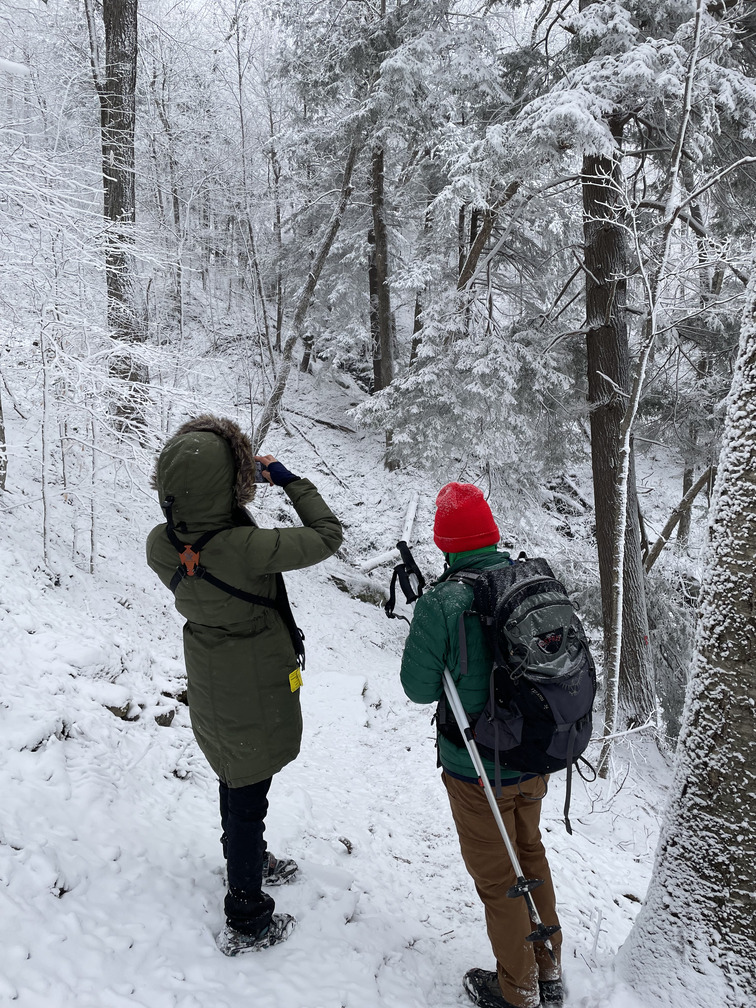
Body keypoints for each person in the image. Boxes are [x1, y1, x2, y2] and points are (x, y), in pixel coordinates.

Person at [146, 415, 342, 955]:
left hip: (210, 679)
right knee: (248, 788)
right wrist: (287, 478)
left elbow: (197, 552)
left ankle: (245, 855)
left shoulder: (161, 545)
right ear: (232, 481)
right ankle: (248, 913)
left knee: (234, 777)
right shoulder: (249, 547)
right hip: (253, 681)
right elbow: (328, 535)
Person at [400, 482, 563, 1008]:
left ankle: (518, 990)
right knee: (530, 855)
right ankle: (549, 967)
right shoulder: (530, 579)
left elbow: (418, 688)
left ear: (445, 542)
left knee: (499, 879)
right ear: (490, 533)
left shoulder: (443, 601)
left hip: (475, 767)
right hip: (534, 755)